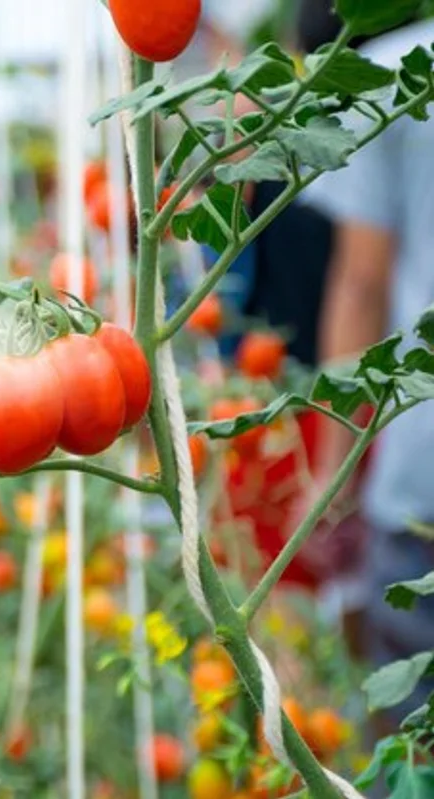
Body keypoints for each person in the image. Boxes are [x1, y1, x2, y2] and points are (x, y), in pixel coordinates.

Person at [298, 12, 434, 726]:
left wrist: (332, 478)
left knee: (413, 740)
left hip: (423, 489)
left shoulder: (393, 75)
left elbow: (361, 286)